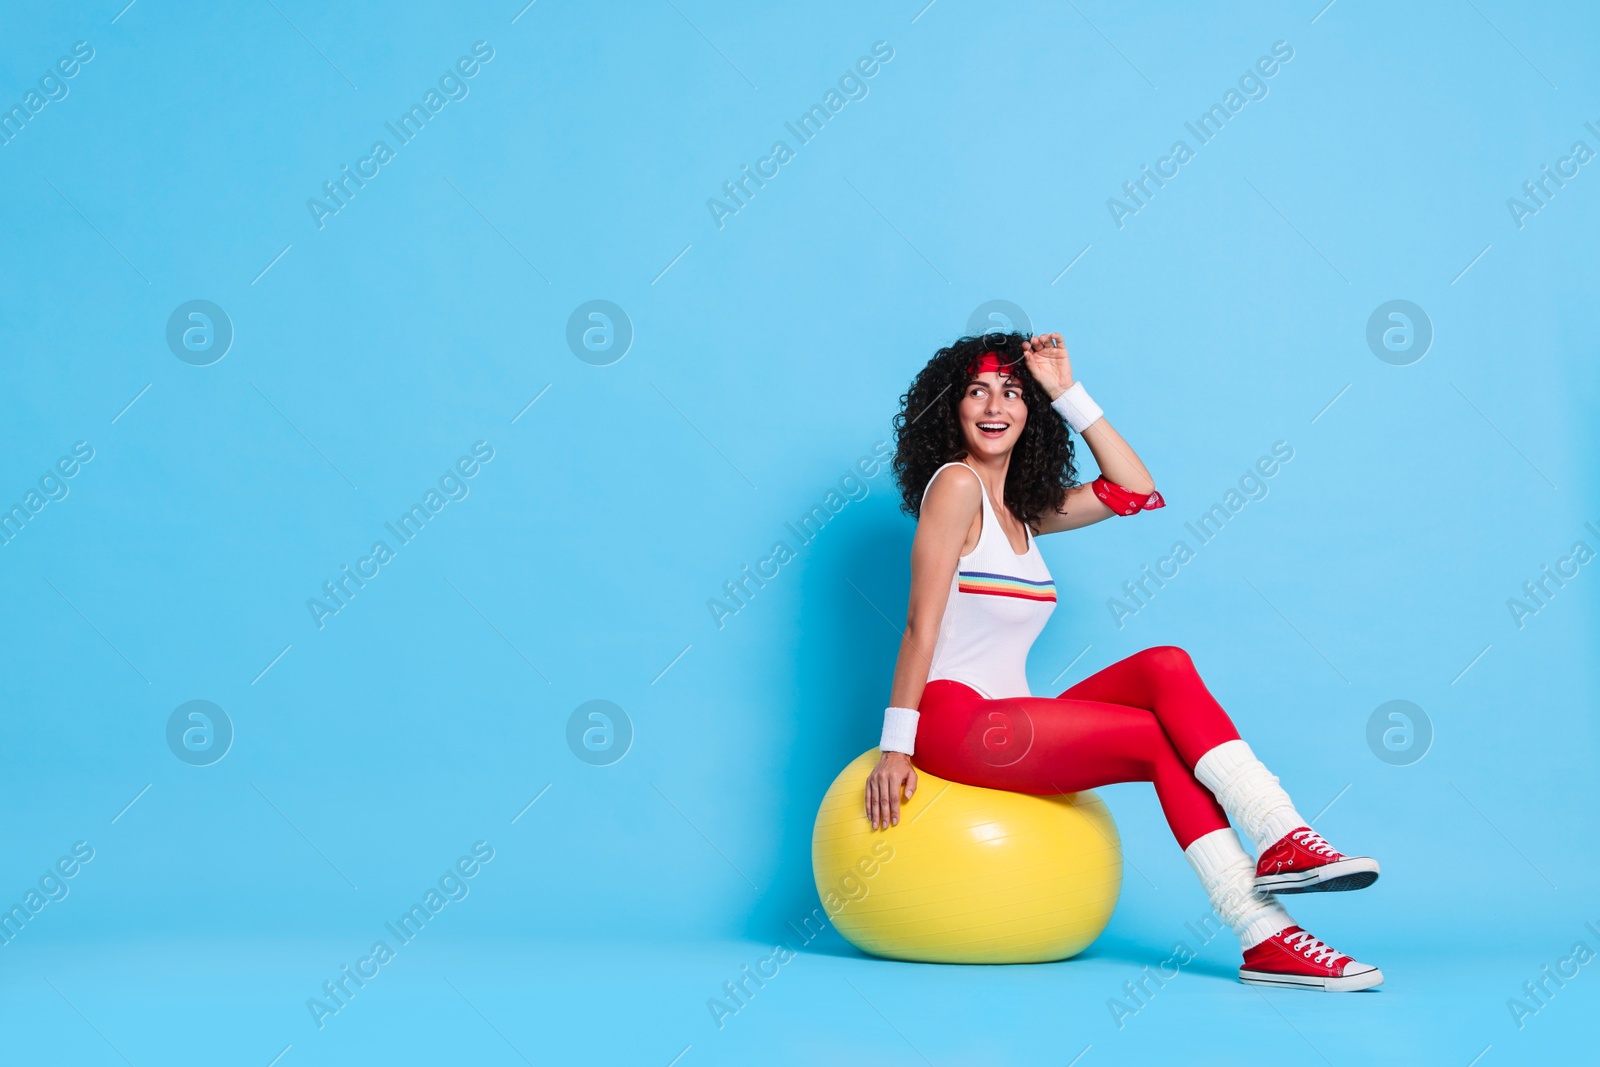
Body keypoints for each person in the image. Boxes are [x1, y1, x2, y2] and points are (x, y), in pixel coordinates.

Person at [863, 330, 1383, 991]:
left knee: (1164, 664)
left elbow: (1134, 488)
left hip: (1010, 717)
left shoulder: (1020, 512)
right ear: (951, 408)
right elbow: (919, 626)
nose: (995, 406)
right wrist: (895, 747)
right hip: (956, 721)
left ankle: (1280, 843)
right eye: (977, 391)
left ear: (1031, 413)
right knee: (1154, 739)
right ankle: (1266, 930)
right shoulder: (956, 486)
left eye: (1012, 392)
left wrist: (1064, 389)